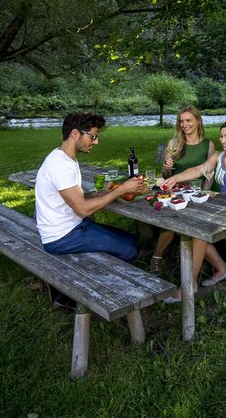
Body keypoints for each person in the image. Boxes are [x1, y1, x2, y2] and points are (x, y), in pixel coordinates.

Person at [35, 112, 148, 309]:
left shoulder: (66, 158)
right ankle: (71, 293)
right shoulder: (60, 165)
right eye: (93, 136)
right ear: (75, 134)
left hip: (71, 226)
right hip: (62, 236)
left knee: (130, 240)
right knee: (129, 250)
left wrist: (103, 193)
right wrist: (122, 189)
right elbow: (82, 209)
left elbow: (77, 198)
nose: (96, 142)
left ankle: (73, 284)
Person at [160, 119, 226, 302]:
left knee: (198, 233)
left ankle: (189, 285)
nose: (223, 140)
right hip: (219, 207)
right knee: (189, 223)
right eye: (221, 136)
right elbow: (199, 169)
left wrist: (219, 209)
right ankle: (222, 269)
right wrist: (175, 178)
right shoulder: (219, 156)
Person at [150, 106, 216, 274]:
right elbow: (165, 174)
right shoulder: (173, 143)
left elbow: (209, 174)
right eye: (181, 121)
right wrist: (166, 166)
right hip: (175, 190)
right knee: (169, 219)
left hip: (196, 193)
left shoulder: (209, 145)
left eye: (188, 120)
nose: (184, 124)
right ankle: (157, 257)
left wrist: (205, 194)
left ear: (198, 121)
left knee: (193, 227)